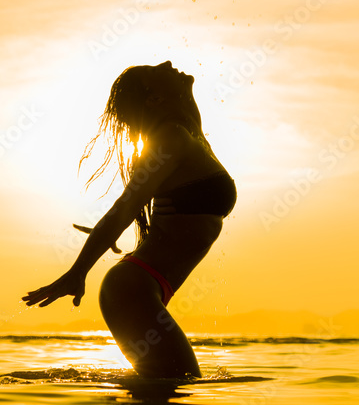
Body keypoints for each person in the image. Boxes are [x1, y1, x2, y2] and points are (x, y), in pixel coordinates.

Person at [22, 61, 236, 378]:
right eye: (156, 71)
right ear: (154, 100)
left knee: (166, 391)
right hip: (132, 289)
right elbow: (126, 205)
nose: (167, 63)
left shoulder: (189, 134)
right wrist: (77, 272)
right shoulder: (170, 138)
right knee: (177, 385)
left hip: (146, 285)